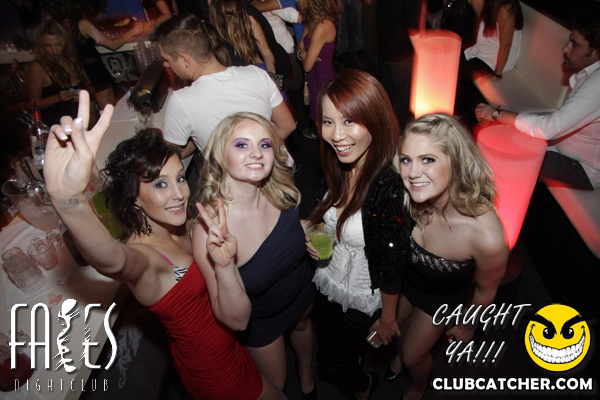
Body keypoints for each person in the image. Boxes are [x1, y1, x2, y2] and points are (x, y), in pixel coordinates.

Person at [44, 90, 285, 400]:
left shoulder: (179, 222)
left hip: (232, 346)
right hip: (215, 373)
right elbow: (112, 259)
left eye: (180, 178)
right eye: (160, 184)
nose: (179, 194)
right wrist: (69, 200)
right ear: (134, 198)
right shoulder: (146, 258)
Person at [306, 69, 413, 400]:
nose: (337, 135)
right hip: (328, 279)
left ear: (375, 120)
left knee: (329, 364)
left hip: (362, 296)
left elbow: (393, 261)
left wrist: (388, 319)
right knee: (333, 345)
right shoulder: (338, 163)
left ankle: (364, 386)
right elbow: (329, 214)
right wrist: (315, 232)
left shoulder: (388, 188)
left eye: (349, 121)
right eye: (328, 122)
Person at [195, 112, 316, 397]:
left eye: (265, 144)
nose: (257, 154)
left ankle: (306, 371)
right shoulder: (210, 230)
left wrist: (316, 230)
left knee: (303, 326)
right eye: (241, 145)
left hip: (300, 289)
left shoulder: (281, 192)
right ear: (220, 154)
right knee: (277, 385)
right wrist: (225, 266)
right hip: (262, 319)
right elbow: (235, 321)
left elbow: (293, 230)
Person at [389, 113, 508, 400]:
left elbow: (485, 290)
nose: (412, 173)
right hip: (406, 283)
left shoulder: (485, 234)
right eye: (406, 160)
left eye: (428, 159)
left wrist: (467, 324)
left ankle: (417, 385)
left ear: (455, 161)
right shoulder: (406, 196)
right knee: (398, 328)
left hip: (439, 298)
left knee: (413, 356)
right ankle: (399, 356)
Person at [475, 9, 600, 191]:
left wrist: (496, 114)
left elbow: (549, 128)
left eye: (575, 44)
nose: (565, 49)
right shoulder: (586, 74)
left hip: (582, 168)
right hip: (557, 148)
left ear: (596, 52)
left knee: (502, 161)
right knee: (496, 141)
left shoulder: (597, 82)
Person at [151, 14, 295, 159]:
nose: (166, 65)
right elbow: (288, 125)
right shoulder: (258, 74)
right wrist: (259, 154)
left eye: (167, 59)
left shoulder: (180, 101)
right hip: (278, 168)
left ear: (184, 60)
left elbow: (171, 155)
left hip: (229, 174)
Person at [210, 0, 293, 89]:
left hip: (266, 71)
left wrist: (273, 82)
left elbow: (267, 53)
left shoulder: (249, 21)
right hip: (246, 79)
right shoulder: (217, 32)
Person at [27, 19, 91, 126]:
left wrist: (82, 95)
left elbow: (90, 88)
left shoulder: (71, 60)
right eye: (48, 46)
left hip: (80, 122)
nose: (54, 50)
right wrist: (56, 98)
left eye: (58, 44)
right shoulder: (38, 67)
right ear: (41, 46)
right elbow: (32, 104)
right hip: (55, 125)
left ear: (65, 43)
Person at [296, 0, 336, 138]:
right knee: (319, 124)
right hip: (313, 79)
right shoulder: (311, 20)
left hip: (323, 80)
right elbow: (299, 48)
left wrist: (303, 55)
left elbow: (307, 66)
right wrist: (303, 54)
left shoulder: (322, 26)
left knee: (324, 127)